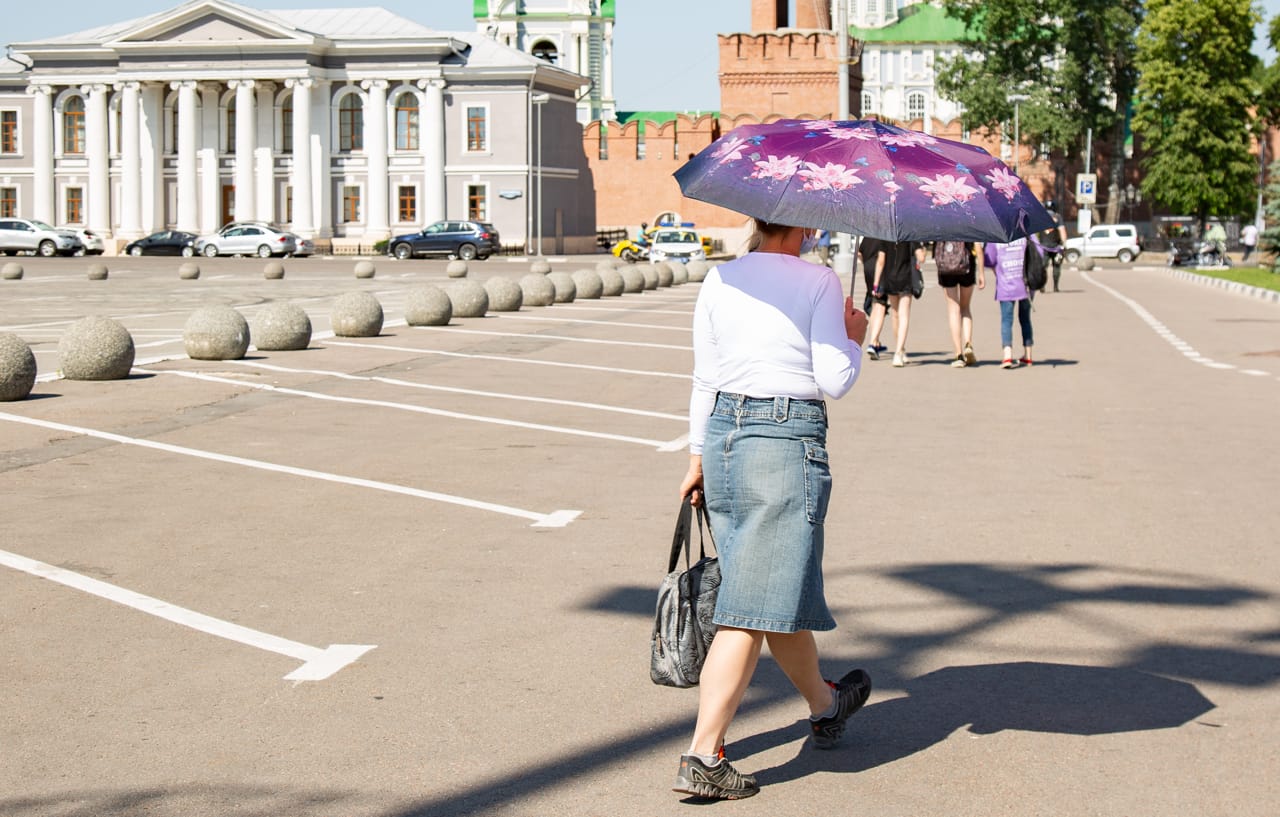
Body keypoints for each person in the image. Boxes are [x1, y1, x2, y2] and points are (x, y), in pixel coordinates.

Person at [674, 219, 873, 801]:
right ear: (807, 223)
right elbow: (834, 379)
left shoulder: (720, 278)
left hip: (724, 434)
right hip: (784, 440)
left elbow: (704, 377)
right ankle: (703, 754)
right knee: (750, 606)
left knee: (772, 589)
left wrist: (696, 457)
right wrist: (854, 334)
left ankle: (826, 705)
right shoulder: (820, 282)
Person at [983, 237, 1042, 368]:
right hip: (1026, 284)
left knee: (1006, 320)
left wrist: (999, 273)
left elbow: (990, 259)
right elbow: (1039, 254)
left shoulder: (997, 236)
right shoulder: (1028, 233)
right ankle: (1028, 354)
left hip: (1006, 284)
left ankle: (1007, 356)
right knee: (1025, 319)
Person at [866, 239, 924, 367]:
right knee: (904, 315)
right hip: (906, 278)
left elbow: (881, 261)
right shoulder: (910, 235)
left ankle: (901, 349)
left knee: (895, 313)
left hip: (890, 278)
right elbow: (921, 257)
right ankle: (899, 352)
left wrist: (876, 284)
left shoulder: (886, 236)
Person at [932, 240, 982, 367]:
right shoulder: (969, 219)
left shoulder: (941, 220)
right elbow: (977, 244)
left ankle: (958, 353)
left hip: (946, 264)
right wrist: (981, 272)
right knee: (965, 307)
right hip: (966, 262)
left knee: (953, 309)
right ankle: (968, 343)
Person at [1039, 201, 1069, 292]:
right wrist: (1064, 244)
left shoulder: (1040, 217)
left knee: (1043, 266)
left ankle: (1042, 286)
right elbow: (1062, 231)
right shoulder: (1058, 217)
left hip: (1043, 246)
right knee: (1056, 266)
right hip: (1056, 246)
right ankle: (1055, 286)